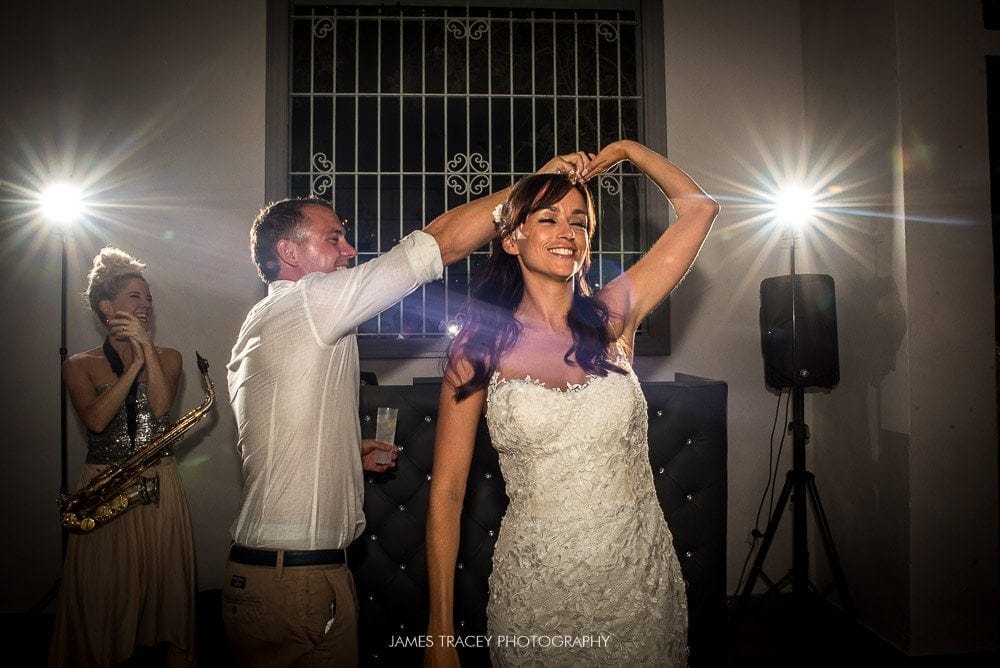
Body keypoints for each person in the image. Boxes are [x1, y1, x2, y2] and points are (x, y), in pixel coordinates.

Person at [222, 152, 591, 667]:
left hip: (267, 574)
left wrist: (348, 453)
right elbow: (436, 243)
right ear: (288, 251)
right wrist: (534, 189)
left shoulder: (264, 320)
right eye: (333, 238)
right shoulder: (310, 301)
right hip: (298, 583)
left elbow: (276, 437)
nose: (349, 249)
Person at [425, 139, 720, 667]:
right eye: (548, 218)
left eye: (580, 222)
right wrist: (441, 630)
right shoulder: (477, 350)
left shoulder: (612, 317)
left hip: (639, 578)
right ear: (512, 239)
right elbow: (447, 495)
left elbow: (699, 209)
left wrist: (629, 151)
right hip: (538, 589)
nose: (567, 231)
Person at [49, 247, 196, 668]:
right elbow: (96, 420)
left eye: (148, 298)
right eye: (136, 296)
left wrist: (144, 351)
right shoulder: (79, 365)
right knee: (102, 593)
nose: (146, 305)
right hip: (104, 485)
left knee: (163, 586)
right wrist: (129, 367)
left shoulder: (169, 357)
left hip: (159, 483)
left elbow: (162, 407)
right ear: (107, 307)